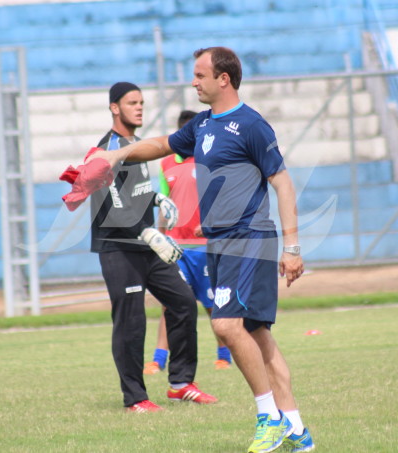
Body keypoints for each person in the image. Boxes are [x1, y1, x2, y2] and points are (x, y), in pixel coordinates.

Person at [88, 47, 313, 453]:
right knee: (258, 336)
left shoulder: (252, 125)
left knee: (227, 326)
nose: (194, 82)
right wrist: (116, 154)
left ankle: (269, 417)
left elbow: (282, 183)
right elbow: (159, 144)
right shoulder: (203, 125)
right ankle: (297, 430)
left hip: (250, 239)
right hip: (221, 244)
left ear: (223, 79)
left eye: (199, 75)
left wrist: (293, 247)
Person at [90, 81, 217, 413]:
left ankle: (180, 384)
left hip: (145, 243)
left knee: (184, 302)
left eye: (142, 102)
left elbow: (132, 191)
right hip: (119, 247)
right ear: (114, 108)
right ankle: (135, 398)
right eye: (132, 103)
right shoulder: (107, 147)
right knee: (131, 321)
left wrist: (157, 198)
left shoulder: (136, 145)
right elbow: (109, 199)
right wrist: (147, 233)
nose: (140, 107)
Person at [144, 109, 233, 374]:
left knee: (210, 303)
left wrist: (212, 224)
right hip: (176, 248)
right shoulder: (166, 164)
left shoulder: (213, 161)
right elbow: (165, 204)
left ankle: (223, 354)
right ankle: (158, 359)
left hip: (206, 247)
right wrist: (159, 236)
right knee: (169, 304)